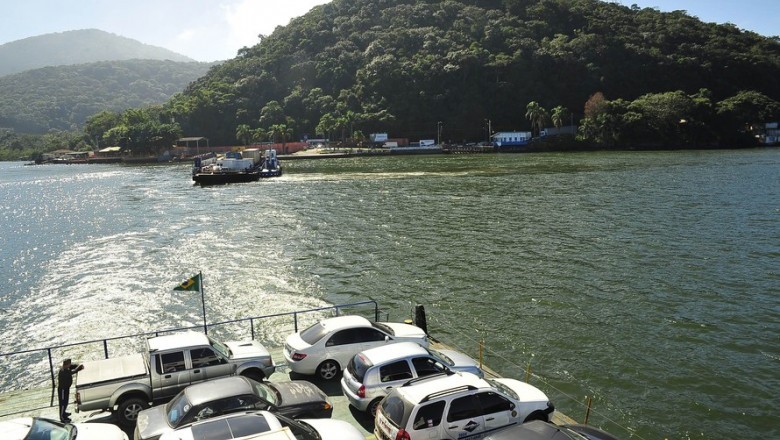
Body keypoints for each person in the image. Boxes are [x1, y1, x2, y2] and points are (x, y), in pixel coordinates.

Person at [57, 358, 84, 423]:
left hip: (66, 388)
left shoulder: (67, 368)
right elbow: (73, 371)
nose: (70, 365)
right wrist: (79, 367)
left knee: (66, 402)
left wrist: (78, 365)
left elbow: (73, 366)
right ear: (66, 365)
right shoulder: (63, 371)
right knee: (62, 403)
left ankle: (64, 413)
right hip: (62, 390)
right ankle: (62, 417)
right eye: (69, 364)